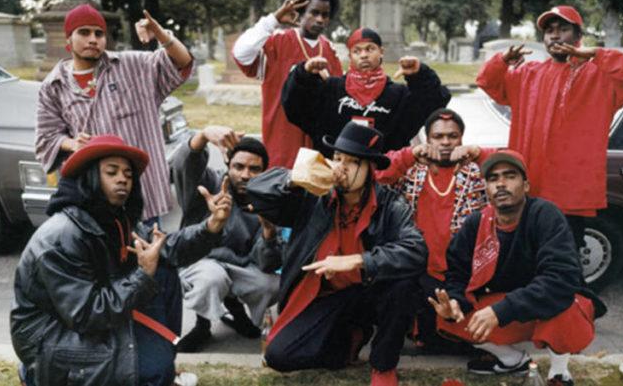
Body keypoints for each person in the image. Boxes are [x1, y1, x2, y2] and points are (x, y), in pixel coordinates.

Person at [11, 135, 231, 386]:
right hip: (51, 335)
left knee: (165, 272)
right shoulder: (61, 236)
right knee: (153, 370)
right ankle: (35, 374)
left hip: (92, 315)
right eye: (111, 172)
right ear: (92, 177)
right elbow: (86, 315)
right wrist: (141, 275)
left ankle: (162, 358)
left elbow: (168, 247)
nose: (122, 179)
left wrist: (212, 226)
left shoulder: (114, 219)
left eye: (128, 174)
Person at [246, 122, 427, 386]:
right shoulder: (313, 196)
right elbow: (256, 191)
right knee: (279, 356)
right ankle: (350, 338)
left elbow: (416, 250)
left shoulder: (390, 203)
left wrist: (358, 261)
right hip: (326, 294)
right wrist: (296, 177)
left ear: (371, 170)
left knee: (403, 285)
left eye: (352, 161)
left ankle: (383, 366)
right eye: (337, 158)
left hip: (372, 291)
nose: (340, 167)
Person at [475, 5, 623, 251]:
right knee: (526, 259)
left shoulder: (600, 76)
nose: (554, 35)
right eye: (549, 30)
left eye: (563, 29)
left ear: (578, 37)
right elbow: (487, 83)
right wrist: (502, 62)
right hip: (529, 189)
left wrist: (597, 55)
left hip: (568, 196)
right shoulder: (528, 73)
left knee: (563, 262)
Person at [428, 150, 606, 386]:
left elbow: (560, 279)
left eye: (510, 176)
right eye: (493, 179)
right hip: (509, 307)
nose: (501, 184)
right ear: (487, 189)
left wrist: (500, 311)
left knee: (566, 306)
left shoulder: (545, 214)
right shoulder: (477, 223)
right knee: (448, 318)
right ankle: (511, 359)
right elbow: (457, 274)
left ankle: (559, 372)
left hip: (547, 306)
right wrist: (455, 302)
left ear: (526, 185)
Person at [35, 4, 193, 223]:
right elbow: (46, 137)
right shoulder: (54, 85)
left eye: (98, 33)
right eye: (84, 32)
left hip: (142, 192)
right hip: (93, 196)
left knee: (147, 253)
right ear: (68, 41)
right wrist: (71, 143)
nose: (93, 39)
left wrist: (160, 34)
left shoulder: (133, 65)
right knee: (102, 255)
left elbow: (182, 62)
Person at [375, 108, 490, 352]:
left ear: (462, 139)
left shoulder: (477, 173)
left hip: (463, 272)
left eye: (453, 136)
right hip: (418, 269)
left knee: (458, 337)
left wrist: (478, 153)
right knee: (428, 337)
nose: (446, 142)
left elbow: (516, 166)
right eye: (438, 136)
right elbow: (376, 175)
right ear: (428, 140)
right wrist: (409, 154)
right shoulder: (412, 170)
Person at [171, 125, 282, 352]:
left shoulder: (268, 201)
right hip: (201, 263)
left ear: (264, 172)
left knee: (271, 284)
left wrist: (269, 235)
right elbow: (185, 165)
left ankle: (235, 309)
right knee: (213, 278)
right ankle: (202, 326)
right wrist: (201, 136)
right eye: (238, 166)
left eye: (254, 169)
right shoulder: (208, 185)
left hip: (239, 266)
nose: (245, 175)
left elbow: (266, 263)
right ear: (227, 165)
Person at [282, 27, 451, 158]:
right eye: (357, 51)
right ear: (350, 56)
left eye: (370, 49)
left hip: (385, 177)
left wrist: (420, 74)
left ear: (381, 52)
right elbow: (295, 107)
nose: (364, 55)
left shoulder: (398, 95)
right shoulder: (331, 89)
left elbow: (433, 102)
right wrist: (304, 74)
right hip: (335, 176)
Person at [232, 0, 343, 168]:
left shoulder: (330, 51)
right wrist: (272, 20)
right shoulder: (278, 43)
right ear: (301, 12)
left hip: (318, 154)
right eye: (314, 13)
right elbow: (240, 53)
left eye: (325, 15)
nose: (320, 19)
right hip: (280, 149)